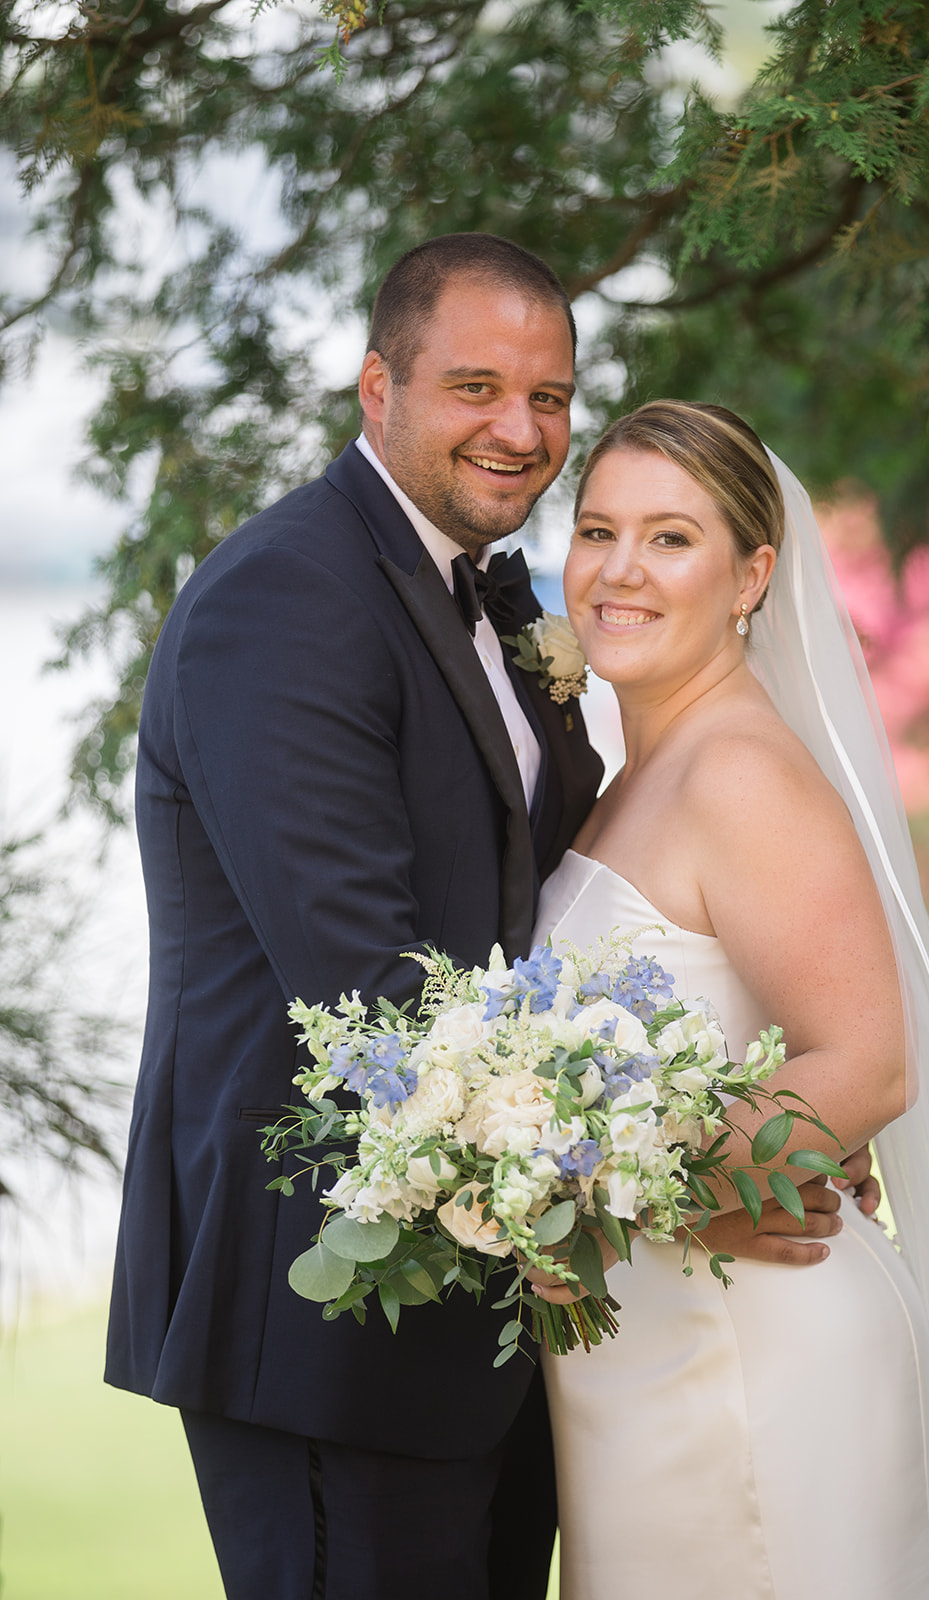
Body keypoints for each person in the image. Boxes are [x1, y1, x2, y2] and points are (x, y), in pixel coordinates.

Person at [103, 239, 870, 1600]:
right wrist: (686, 1188)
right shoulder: (289, 600)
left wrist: (752, 1116)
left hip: (512, 1323)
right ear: (373, 387)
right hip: (333, 1326)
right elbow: (382, 997)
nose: (518, 431)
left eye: (548, 396)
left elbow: (557, 946)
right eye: (473, 386)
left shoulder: (491, 598)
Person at [532, 400, 929, 1599]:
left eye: (670, 539)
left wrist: (615, 1205)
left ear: (751, 574)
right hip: (654, 1359)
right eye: (597, 528)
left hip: (755, 1355)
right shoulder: (632, 777)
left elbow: (867, 1065)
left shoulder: (739, 770)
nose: (618, 568)